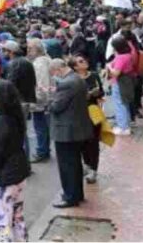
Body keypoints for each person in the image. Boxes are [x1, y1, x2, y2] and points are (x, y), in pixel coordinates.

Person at [0, 79, 31, 242]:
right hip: (18, 175)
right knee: (17, 218)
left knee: (5, 224)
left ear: (1, 98)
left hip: (6, 179)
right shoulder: (13, 116)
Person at [49, 59, 93, 208]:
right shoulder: (77, 79)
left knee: (67, 165)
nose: (54, 76)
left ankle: (70, 197)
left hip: (66, 131)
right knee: (75, 164)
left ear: (57, 69)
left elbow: (56, 106)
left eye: (53, 73)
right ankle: (77, 193)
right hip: (77, 127)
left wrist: (50, 96)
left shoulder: (65, 84)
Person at [69, 55, 104, 184]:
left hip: (93, 112)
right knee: (82, 141)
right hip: (79, 114)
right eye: (80, 61)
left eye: (84, 60)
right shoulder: (73, 79)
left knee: (93, 142)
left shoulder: (94, 75)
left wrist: (97, 93)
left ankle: (93, 169)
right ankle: (87, 165)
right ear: (75, 67)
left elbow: (102, 92)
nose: (85, 62)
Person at [3, 40, 36, 159]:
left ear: (11, 52)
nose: (3, 53)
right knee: (21, 132)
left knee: (17, 133)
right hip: (26, 100)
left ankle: (22, 164)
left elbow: (9, 85)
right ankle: (24, 162)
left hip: (18, 102)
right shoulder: (27, 62)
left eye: (5, 50)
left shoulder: (13, 64)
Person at [26, 38, 52, 163]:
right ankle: (44, 150)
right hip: (46, 100)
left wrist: (37, 99)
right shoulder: (46, 59)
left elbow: (42, 84)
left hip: (40, 101)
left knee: (40, 127)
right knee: (43, 127)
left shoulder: (39, 63)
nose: (28, 50)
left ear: (37, 49)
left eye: (30, 48)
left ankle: (42, 151)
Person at [106, 36, 135, 136]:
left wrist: (109, 66)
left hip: (119, 82)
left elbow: (115, 73)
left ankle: (123, 127)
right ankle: (126, 125)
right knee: (124, 103)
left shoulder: (120, 58)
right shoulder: (128, 55)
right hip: (127, 81)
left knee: (119, 104)